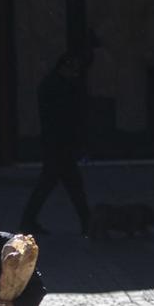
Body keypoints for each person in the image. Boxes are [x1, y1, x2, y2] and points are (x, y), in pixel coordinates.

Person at [19, 46, 95, 237]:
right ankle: (87, 222)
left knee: (55, 184)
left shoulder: (54, 85)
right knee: (70, 186)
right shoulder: (58, 88)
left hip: (57, 145)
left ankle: (28, 220)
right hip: (60, 145)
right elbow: (65, 118)